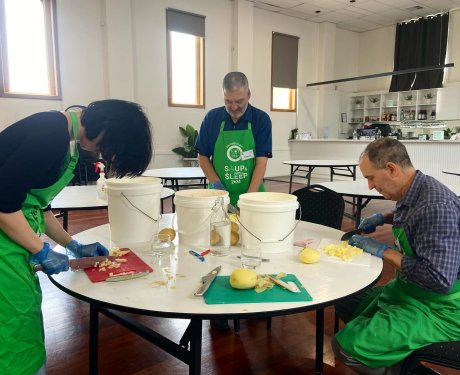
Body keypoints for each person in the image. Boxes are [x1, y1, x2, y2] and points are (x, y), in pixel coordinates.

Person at [0, 99, 153, 375]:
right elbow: (3, 204)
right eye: (110, 150)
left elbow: (38, 206)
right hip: (4, 238)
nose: (104, 156)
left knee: (24, 315)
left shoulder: (65, 142)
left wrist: (73, 245)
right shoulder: (50, 134)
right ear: (105, 128)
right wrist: (42, 250)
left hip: (13, 235)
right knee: (14, 324)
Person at [332, 138, 460, 375]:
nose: (370, 186)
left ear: (391, 169)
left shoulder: (436, 207)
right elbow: (411, 210)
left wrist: (383, 251)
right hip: (412, 291)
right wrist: (384, 218)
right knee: (352, 307)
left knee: (347, 347)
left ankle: (403, 369)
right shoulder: (416, 187)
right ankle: (398, 355)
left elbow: (438, 280)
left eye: (371, 177)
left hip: (441, 306)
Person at [195, 71, 272, 207]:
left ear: (248, 94)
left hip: (253, 194)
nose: (234, 107)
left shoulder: (261, 119)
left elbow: (261, 162)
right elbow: (202, 157)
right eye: (228, 101)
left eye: (239, 101)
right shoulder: (212, 119)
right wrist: (217, 186)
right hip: (218, 196)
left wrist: (247, 200)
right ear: (223, 95)